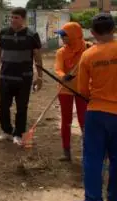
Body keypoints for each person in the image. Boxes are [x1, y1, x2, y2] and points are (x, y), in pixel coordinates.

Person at [71, 13, 117, 201]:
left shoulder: (88, 55)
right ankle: (115, 198)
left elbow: (82, 90)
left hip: (97, 112)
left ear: (93, 33)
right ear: (114, 29)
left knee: (93, 157)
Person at [0, 7, 43, 146]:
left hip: (24, 78)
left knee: (21, 108)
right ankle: (6, 131)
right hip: (5, 77)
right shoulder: (3, 33)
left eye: (16, 18)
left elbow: (38, 57)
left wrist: (40, 76)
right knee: (3, 106)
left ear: (24, 19)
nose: (13, 20)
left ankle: (18, 134)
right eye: (11, 17)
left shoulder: (31, 35)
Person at [54, 22, 91, 162]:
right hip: (65, 89)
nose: (62, 38)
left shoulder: (88, 48)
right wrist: (63, 76)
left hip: (83, 89)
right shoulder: (61, 52)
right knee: (66, 120)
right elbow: (58, 68)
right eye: (61, 35)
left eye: (65, 35)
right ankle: (66, 151)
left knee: (84, 120)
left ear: (74, 35)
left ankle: (88, 150)